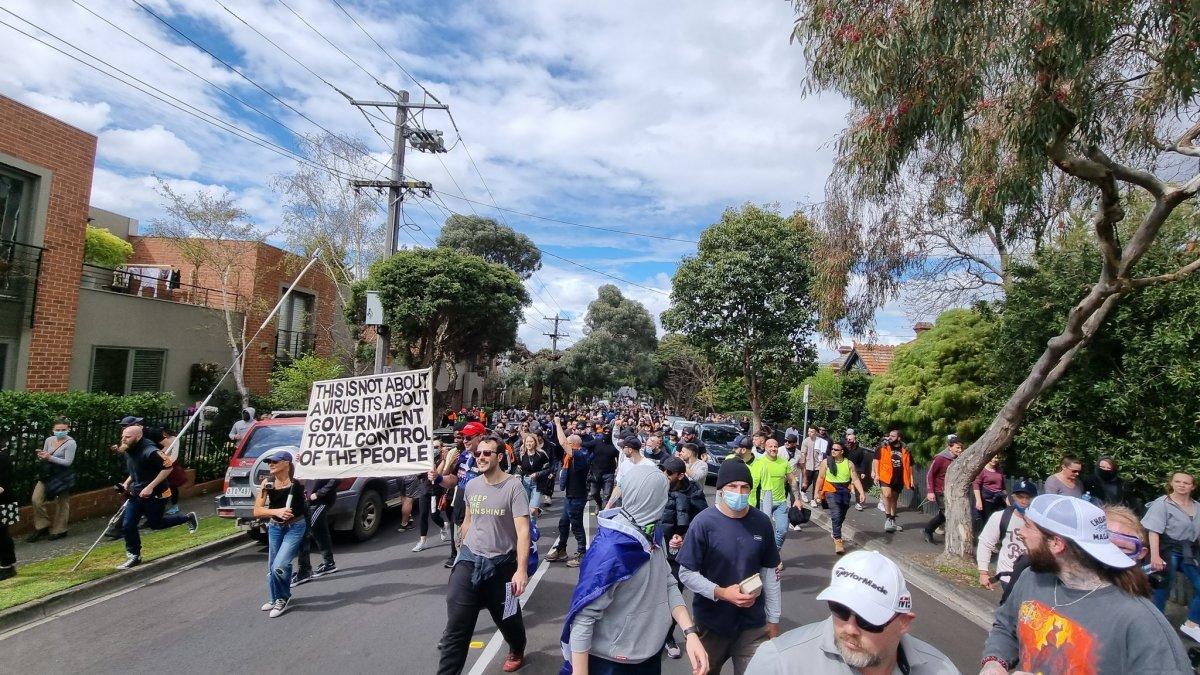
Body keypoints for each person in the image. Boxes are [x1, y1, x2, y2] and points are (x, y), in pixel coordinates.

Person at [979, 494, 1190, 674]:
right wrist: (994, 662)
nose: (1021, 533)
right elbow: (1006, 628)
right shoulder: (1031, 578)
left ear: (1056, 544)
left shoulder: (1139, 620)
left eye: (1027, 526)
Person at [561, 463, 708, 675]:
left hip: (649, 655)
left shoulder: (652, 533)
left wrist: (690, 632)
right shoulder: (610, 550)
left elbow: (667, 582)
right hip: (611, 662)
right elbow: (583, 619)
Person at [746, 550, 959, 674]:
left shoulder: (940, 669)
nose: (850, 628)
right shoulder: (780, 663)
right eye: (839, 609)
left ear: (903, 622)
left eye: (868, 619)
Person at [676, 460, 781, 675]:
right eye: (732, 486)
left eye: (744, 487)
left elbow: (770, 574)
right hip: (712, 624)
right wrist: (721, 593)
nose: (739, 492)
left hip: (753, 625)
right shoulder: (703, 523)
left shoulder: (762, 522)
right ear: (721, 489)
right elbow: (686, 573)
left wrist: (773, 620)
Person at [437, 436, 530, 674]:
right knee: (456, 626)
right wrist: (460, 551)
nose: (481, 457)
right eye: (478, 453)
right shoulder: (472, 485)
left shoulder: (514, 486)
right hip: (470, 560)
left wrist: (521, 570)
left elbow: (522, 531)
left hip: (502, 565)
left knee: (509, 619)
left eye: (487, 453)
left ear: (499, 457)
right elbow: (468, 520)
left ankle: (517, 648)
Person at [114, 424, 198, 570]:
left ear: (138, 437)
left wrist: (150, 486)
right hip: (137, 493)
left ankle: (187, 518)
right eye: (123, 436)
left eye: (128, 437)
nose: (124, 439)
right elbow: (136, 470)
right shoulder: (129, 450)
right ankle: (134, 555)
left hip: (157, 493)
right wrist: (126, 483)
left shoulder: (151, 451)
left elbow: (168, 467)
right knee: (128, 525)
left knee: (156, 524)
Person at [659, 455, 710, 660]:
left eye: (669, 473)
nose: (665, 475)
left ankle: (667, 637)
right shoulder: (657, 487)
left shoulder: (694, 491)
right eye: (663, 471)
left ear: (680, 475)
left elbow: (703, 522)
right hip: (654, 548)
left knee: (674, 595)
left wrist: (685, 538)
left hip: (680, 554)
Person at [1142, 471, 1200, 641]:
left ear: (1193, 486)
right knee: (1164, 584)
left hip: (1189, 551)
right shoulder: (1163, 503)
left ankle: (1192, 624)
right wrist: (1155, 556)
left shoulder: (1197, 506)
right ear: (1171, 483)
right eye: (1178, 481)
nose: (1182, 485)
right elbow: (1153, 530)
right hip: (1168, 548)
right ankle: (1156, 623)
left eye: (1186, 482)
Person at [252, 448, 306, 618]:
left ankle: (283, 598)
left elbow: (313, 472)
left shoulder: (298, 480)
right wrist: (277, 512)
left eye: (275, 462)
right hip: (275, 527)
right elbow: (257, 511)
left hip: (295, 526)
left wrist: (304, 461)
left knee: (280, 565)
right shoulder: (267, 483)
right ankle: (275, 597)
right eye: (269, 462)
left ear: (286, 463)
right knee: (272, 566)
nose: (271, 465)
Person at [431, 421, 487, 568]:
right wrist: (438, 478)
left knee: (479, 555)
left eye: (469, 437)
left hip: (481, 515)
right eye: (463, 437)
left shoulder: (487, 458)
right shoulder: (463, 456)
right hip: (461, 511)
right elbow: (454, 480)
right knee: (461, 548)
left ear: (480, 437)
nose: (465, 440)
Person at [975, 480, 1037, 601]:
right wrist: (983, 572)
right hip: (1008, 575)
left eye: (1028, 497)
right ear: (1013, 497)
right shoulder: (1001, 517)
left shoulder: (1040, 522)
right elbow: (986, 542)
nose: (1024, 501)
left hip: (1032, 578)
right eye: (1020, 497)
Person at [546, 416, 590, 567]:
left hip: (578, 497)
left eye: (568, 444)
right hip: (569, 496)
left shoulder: (581, 455)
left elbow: (562, 442)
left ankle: (581, 554)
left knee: (576, 526)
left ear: (573, 445)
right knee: (563, 523)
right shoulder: (568, 459)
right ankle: (561, 550)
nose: (565, 448)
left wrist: (558, 423)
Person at [750, 438, 798, 563]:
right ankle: (760, 556)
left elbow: (792, 480)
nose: (773, 449)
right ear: (765, 448)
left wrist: (797, 499)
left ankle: (774, 554)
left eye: (775, 446)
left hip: (780, 502)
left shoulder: (784, 463)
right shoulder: (759, 462)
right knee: (762, 532)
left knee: (782, 530)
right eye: (770, 446)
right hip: (762, 502)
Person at [27, 417, 76, 542]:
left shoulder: (71, 443)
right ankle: (42, 525)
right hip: (48, 474)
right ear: (53, 430)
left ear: (68, 429)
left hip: (62, 476)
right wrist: (43, 456)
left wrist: (50, 457)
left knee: (62, 502)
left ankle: (60, 530)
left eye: (63, 429)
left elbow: (68, 462)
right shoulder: (49, 440)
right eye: (57, 429)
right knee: (36, 499)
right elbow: (46, 455)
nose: (60, 431)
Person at [814, 441, 866, 555]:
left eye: (836, 449)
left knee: (842, 514)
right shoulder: (826, 462)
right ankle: (838, 540)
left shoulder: (849, 463)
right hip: (831, 489)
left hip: (844, 490)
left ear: (842, 452)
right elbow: (821, 478)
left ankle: (835, 531)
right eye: (832, 449)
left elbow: (855, 479)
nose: (833, 451)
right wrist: (816, 492)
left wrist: (862, 493)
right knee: (836, 513)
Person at [294, 474, 338, 584]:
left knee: (305, 531)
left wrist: (319, 493)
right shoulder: (305, 458)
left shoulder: (327, 458)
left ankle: (304, 570)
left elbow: (336, 477)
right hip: (307, 501)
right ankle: (329, 563)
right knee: (319, 530)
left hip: (320, 501)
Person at [922, 437, 963, 544]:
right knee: (949, 514)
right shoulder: (940, 458)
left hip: (952, 492)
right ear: (950, 447)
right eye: (957, 447)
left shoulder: (959, 459)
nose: (960, 450)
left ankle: (928, 530)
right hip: (940, 490)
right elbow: (930, 474)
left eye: (961, 448)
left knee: (943, 515)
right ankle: (955, 541)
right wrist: (930, 491)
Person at [871, 429, 913, 534]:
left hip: (898, 477)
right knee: (887, 494)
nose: (890, 438)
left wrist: (911, 479)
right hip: (885, 476)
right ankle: (888, 518)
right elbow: (876, 460)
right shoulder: (883, 447)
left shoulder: (905, 449)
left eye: (893, 436)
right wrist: (876, 474)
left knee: (894, 499)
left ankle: (892, 520)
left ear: (899, 438)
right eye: (889, 436)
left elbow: (910, 465)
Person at [514, 433, 550, 520]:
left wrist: (537, 474)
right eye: (527, 442)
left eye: (531, 441)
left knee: (533, 510)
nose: (529, 444)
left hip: (537, 483)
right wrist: (517, 475)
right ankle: (531, 529)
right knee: (526, 509)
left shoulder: (541, 454)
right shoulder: (522, 454)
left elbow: (548, 469)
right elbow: (519, 468)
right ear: (524, 443)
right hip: (525, 482)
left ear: (535, 442)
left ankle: (535, 517)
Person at [606, 435, 648, 509]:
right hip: (625, 507)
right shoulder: (624, 464)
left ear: (630, 450)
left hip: (642, 509)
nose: (622, 450)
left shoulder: (648, 466)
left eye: (623, 447)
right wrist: (608, 505)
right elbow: (619, 486)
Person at [587, 426, 620, 515]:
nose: (606, 433)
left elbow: (619, 457)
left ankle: (605, 513)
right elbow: (585, 445)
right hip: (595, 472)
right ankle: (598, 503)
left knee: (607, 495)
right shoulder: (596, 442)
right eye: (604, 431)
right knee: (594, 493)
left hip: (609, 473)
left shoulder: (614, 446)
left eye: (608, 432)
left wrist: (618, 468)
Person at [971, 455, 1006, 530]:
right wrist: (978, 500)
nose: (994, 459)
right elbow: (976, 484)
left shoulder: (999, 470)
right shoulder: (982, 470)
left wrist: (1007, 501)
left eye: (996, 457)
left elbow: (1003, 487)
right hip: (987, 501)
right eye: (992, 457)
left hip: (998, 500)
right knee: (986, 523)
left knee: (998, 521)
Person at [0, 439, 17, 581]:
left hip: (3, 501)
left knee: (2, 533)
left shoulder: (3, 458)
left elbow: (6, 480)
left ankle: (8, 566)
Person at [843, 429, 871, 512]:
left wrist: (862, 472)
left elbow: (863, 461)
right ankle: (844, 500)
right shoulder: (845, 448)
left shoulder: (860, 450)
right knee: (844, 485)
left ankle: (858, 502)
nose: (848, 441)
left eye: (850, 440)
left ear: (854, 440)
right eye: (847, 439)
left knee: (857, 485)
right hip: (845, 468)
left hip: (856, 469)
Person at [800, 427, 822, 505]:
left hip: (818, 465)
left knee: (816, 483)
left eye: (812, 432)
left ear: (816, 432)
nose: (810, 433)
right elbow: (803, 453)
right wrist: (803, 464)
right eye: (809, 431)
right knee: (807, 481)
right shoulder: (806, 441)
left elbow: (823, 452)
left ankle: (813, 499)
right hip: (808, 465)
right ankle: (803, 491)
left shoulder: (820, 441)